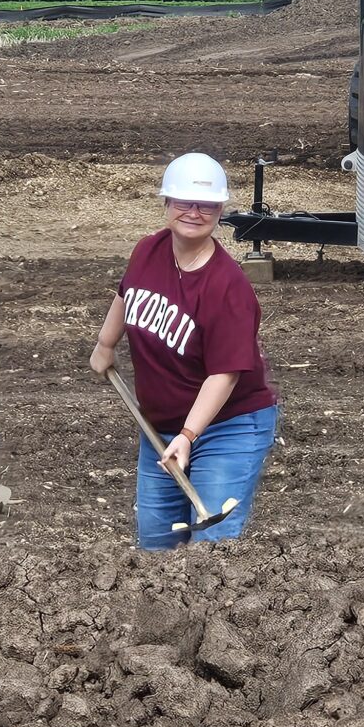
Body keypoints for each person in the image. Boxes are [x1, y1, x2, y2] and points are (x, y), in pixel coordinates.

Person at [90, 153, 278, 549]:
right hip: (160, 425)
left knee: (211, 543)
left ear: (220, 210)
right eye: (183, 202)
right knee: (156, 542)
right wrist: (106, 344)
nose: (194, 212)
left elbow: (224, 374)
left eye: (207, 204)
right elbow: (127, 295)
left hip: (228, 427)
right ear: (166, 203)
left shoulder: (228, 288)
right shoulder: (148, 250)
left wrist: (190, 435)